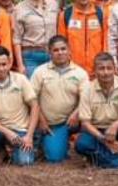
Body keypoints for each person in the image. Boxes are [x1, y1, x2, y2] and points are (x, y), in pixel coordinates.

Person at [75, 52, 118, 169]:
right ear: (94, 71)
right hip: (97, 131)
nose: (106, 72)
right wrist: (104, 140)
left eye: (109, 68)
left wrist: (115, 125)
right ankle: (113, 157)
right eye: (101, 69)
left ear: (115, 69)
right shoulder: (87, 89)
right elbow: (85, 123)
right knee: (81, 144)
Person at [0, 45, 39, 165]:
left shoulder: (21, 80)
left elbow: (35, 106)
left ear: (10, 63)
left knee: (24, 162)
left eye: (4, 64)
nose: (1, 68)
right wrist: (7, 133)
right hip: (0, 130)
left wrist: (29, 136)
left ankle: (22, 150)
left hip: (21, 131)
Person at [30, 35, 88, 163]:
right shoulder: (40, 72)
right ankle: (54, 142)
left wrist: (76, 113)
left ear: (69, 50)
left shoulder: (80, 73)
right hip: (52, 124)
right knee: (54, 158)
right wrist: (41, 120)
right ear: (49, 52)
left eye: (63, 49)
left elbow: (86, 98)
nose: (60, 53)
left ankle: (86, 145)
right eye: (56, 50)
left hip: (74, 120)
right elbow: (31, 99)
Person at [56, 0, 107, 77]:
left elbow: (105, 42)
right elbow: (61, 43)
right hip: (72, 71)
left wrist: (103, 64)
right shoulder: (66, 15)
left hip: (96, 71)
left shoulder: (100, 14)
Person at [13, 0, 58, 78]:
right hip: (31, 57)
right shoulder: (19, 9)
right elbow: (16, 39)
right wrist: (20, 65)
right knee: (33, 91)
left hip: (52, 55)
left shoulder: (53, 5)